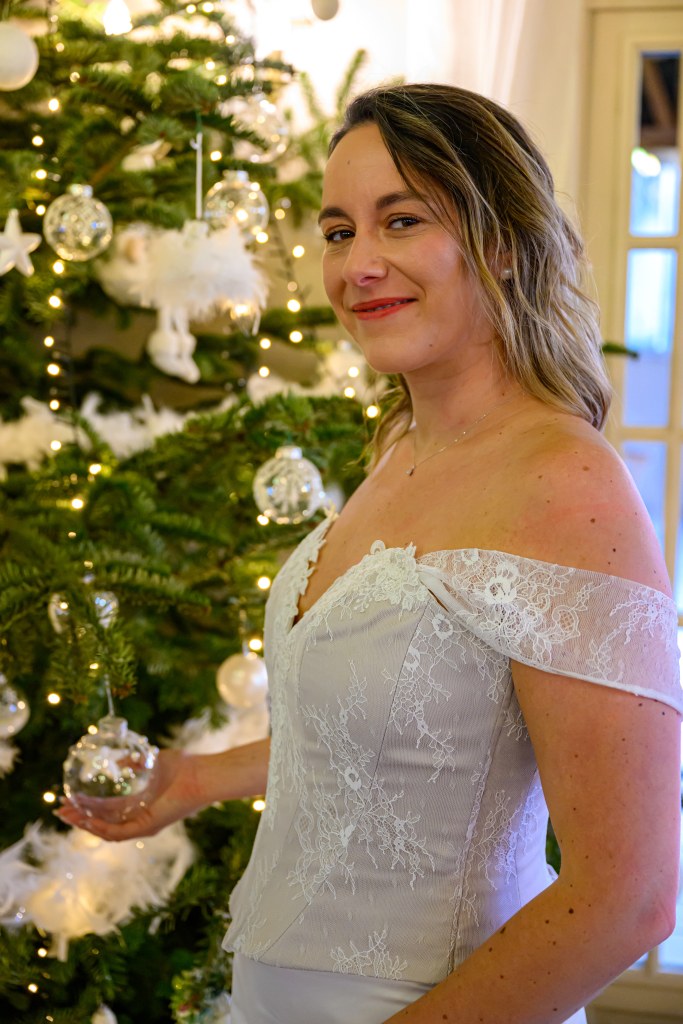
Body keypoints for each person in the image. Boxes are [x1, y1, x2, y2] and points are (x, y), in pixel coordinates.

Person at [57, 84, 683, 1024]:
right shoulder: (398, 447)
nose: (358, 265)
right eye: (338, 231)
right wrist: (197, 778)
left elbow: (629, 895)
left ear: (501, 242)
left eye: (402, 220)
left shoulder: (564, 484)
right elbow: (394, 732)